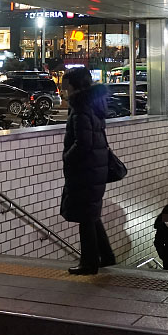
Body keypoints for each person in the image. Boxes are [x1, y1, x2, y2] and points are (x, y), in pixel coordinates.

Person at [58, 67, 115, 274]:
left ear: (74, 85)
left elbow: (83, 142)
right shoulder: (94, 105)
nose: (64, 90)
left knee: (86, 216)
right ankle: (106, 256)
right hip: (95, 167)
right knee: (91, 213)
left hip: (85, 168)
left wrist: (67, 157)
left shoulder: (81, 108)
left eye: (66, 85)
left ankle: (89, 263)